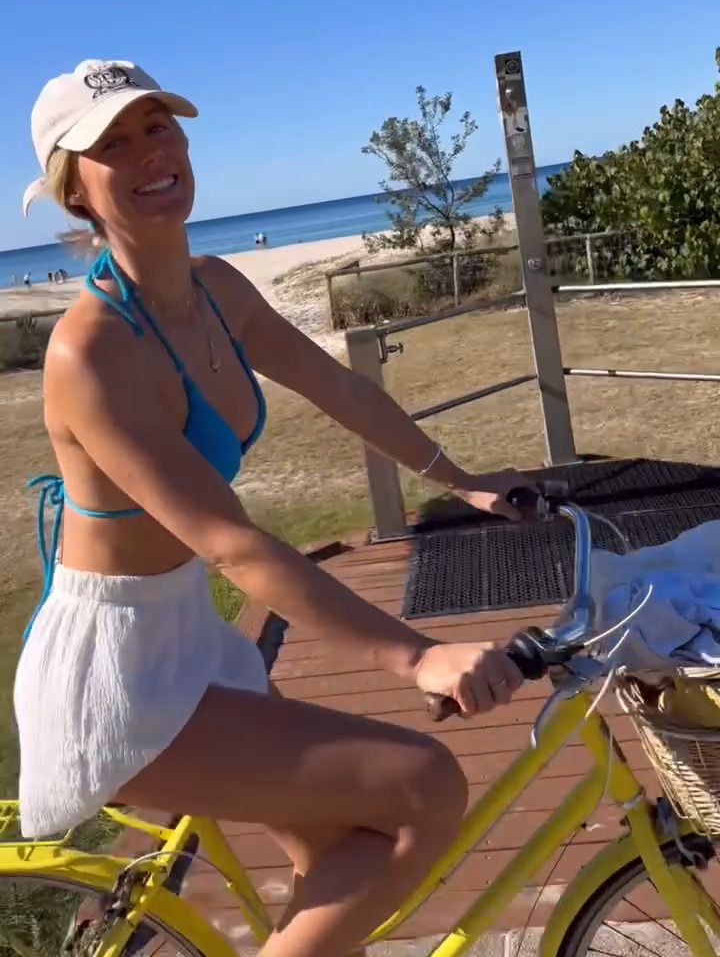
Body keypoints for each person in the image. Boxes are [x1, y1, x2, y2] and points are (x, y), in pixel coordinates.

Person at [15, 59, 528, 957]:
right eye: (113, 144)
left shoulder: (217, 288)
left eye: (158, 126)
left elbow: (341, 388)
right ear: (75, 190)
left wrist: (460, 479)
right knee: (426, 786)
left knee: (343, 857)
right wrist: (417, 658)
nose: (150, 152)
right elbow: (233, 547)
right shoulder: (91, 351)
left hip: (189, 636)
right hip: (115, 679)